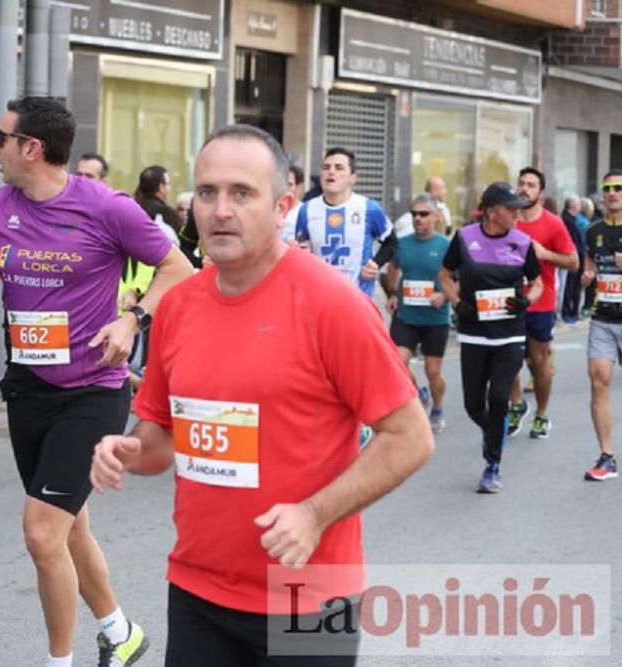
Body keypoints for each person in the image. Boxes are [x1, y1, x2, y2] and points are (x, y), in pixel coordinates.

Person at [90, 124, 433, 666]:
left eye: (241, 193)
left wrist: (315, 515)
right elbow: (161, 439)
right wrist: (130, 451)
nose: (220, 210)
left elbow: (411, 437)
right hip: (198, 591)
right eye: (207, 192)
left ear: (283, 206)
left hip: (309, 601)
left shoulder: (331, 305)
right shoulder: (178, 307)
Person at [0, 96, 193, 667]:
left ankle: (60, 660)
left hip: (91, 393)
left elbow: (178, 268)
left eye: (1, 137)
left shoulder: (107, 207)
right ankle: (120, 631)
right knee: (70, 523)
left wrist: (134, 319)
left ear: (31, 148)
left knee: (41, 534)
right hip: (28, 388)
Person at [439, 181, 543, 493]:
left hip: (509, 335)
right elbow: (444, 276)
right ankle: (493, 431)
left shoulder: (522, 242)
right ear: (491, 212)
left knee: (498, 397)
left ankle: (492, 465)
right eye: (511, 209)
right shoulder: (465, 237)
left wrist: (527, 301)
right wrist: (458, 303)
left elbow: (537, 282)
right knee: (474, 405)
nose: (517, 214)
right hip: (474, 335)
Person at [505, 168, 578, 439]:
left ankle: (541, 413)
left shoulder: (553, 223)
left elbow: (573, 261)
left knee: (538, 362)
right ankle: (517, 405)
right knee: (508, 359)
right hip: (509, 301)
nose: (524, 189)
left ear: (541, 192)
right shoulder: (507, 220)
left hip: (541, 302)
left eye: (531, 185)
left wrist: (545, 253)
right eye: (521, 183)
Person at [385, 194, 451, 432]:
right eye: (414, 214)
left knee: (433, 372)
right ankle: (418, 393)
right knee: (397, 366)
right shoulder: (403, 244)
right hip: (406, 316)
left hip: (436, 318)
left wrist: (444, 296)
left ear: (435, 217)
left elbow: (461, 279)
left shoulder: (446, 245)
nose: (417, 219)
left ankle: (437, 407)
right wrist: (392, 293)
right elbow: (392, 268)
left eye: (423, 214)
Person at [295, 147, 396, 297]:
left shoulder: (369, 208)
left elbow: (392, 242)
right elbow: (301, 251)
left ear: (353, 178)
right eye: (326, 167)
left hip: (359, 299)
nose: (331, 172)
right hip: (320, 299)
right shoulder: (306, 210)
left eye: (339, 168)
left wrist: (376, 263)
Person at [581, 170, 622, 480]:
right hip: (603, 318)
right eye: (607, 188)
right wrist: (588, 276)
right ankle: (607, 457)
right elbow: (589, 265)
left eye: (618, 188)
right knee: (599, 378)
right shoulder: (593, 230)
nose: (612, 193)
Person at [134, 165, 182, 238]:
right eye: (168, 183)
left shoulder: (133, 208)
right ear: (161, 187)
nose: (170, 188)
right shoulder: (166, 213)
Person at [561, 195, 586, 324]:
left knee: (573, 286)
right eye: (578, 204)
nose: (580, 207)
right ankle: (568, 312)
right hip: (572, 259)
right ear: (574, 206)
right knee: (569, 287)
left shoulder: (572, 220)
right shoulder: (568, 221)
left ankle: (572, 312)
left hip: (577, 258)